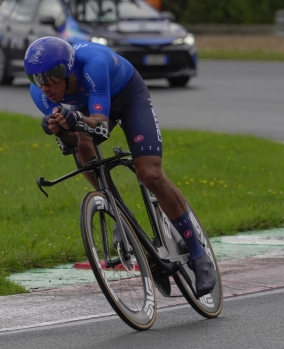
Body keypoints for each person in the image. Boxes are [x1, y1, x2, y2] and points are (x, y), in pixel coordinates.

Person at [24, 36, 216, 296]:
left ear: (68, 71)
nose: (45, 86)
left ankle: (198, 253)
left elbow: (101, 125)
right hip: (88, 105)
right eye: (37, 79)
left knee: (149, 173)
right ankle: (119, 212)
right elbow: (72, 139)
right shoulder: (40, 93)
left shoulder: (93, 64)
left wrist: (76, 119)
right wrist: (59, 128)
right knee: (81, 145)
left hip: (127, 96)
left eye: (51, 77)